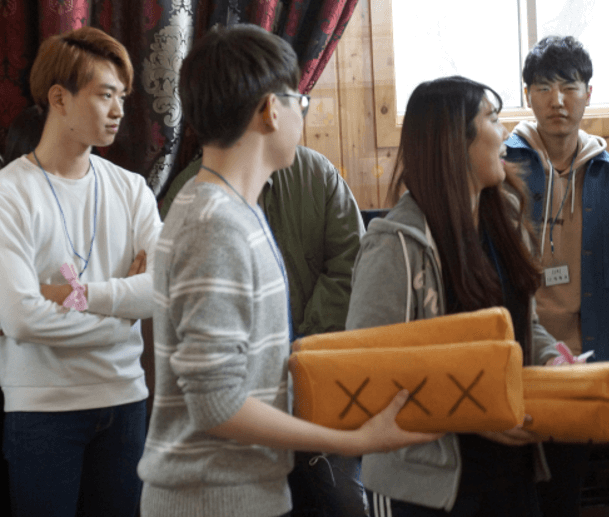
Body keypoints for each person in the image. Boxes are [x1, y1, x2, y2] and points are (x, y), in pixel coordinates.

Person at [137, 24, 438, 517]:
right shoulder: (214, 225)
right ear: (270, 111)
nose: (303, 113)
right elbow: (216, 405)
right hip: (210, 501)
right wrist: (353, 439)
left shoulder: (233, 209)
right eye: (301, 100)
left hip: (241, 494)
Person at [346, 75, 559, 516]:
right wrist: (471, 415)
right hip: (425, 487)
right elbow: (368, 373)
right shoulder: (394, 244)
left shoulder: (506, 218)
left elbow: (525, 326)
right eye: (493, 118)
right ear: (454, 141)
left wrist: (554, 362)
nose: (506, 131)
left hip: (511, 473)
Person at [0, 27, 162, 517]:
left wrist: (69, 295)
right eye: (105, 95)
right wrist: (124, 317)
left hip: (125, 399)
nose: (119, 110)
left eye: (122, 96)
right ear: (59, 98)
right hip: (42, 408)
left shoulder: (132, 189)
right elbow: (22, 319)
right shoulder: (5, 196)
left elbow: (164, 289)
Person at [159, 148, 369, 517]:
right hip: (240, 404)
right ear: (265, 117)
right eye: (295, 112)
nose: (299, 119)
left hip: (318, 381)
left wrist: (301, 351)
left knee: (345, 503)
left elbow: (351, 265)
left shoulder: (316, 172)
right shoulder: (190, 192)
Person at [504, 34, 609, 517]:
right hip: (521, 356)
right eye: (544, 87)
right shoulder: (503, 168)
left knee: (565, 494)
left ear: (588, 93)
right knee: (515, 494)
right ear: (527, 95)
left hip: (584, 359)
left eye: (569, 86)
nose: (557, 100)